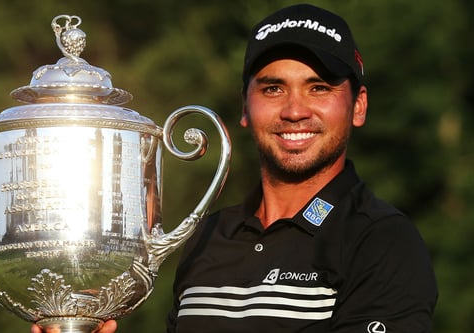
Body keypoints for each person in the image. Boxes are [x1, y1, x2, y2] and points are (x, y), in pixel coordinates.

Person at [33, 4, 437, 332]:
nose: (295, 110)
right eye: (272, 88)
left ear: (359, 106)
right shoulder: (208, 236)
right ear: (245, 107)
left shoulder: (381, 239)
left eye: (320, 88)